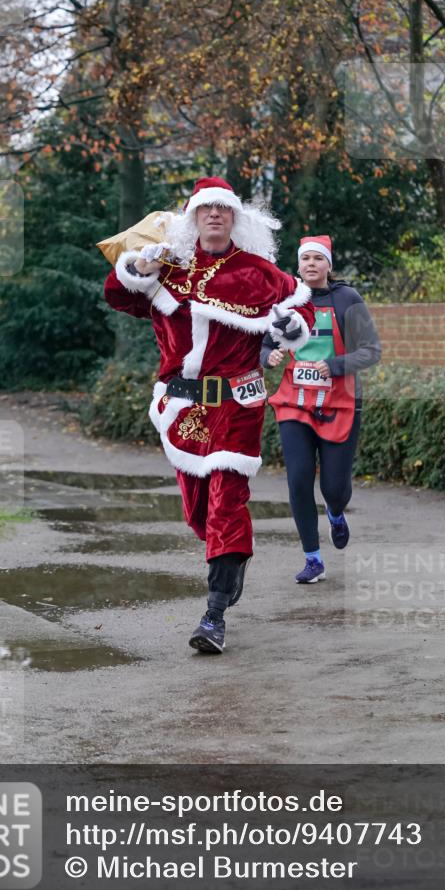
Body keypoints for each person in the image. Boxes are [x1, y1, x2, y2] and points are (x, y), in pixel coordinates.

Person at [104, 176, 314, 654]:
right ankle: (230, 564)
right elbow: (118, 295)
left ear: (235, 218)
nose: (214, 215)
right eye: (205, 209)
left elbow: (300, 317)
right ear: (193, 216)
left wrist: (290, 327)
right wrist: (138, 265)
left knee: (226, 500)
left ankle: (214, 614)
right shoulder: (168, 267)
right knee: (199, 512)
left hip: (237, 403)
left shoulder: (258, 273)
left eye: (223, 209)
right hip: (181, 405)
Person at [260, 235, 381, 583]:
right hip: (294, 403)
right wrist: (271, 356)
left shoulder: (348, 299)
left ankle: (336, 511)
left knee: (334, 487)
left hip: (341, 403)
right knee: (298, 479)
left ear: (329, 265)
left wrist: (337, 364)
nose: (311, 264)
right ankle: (313, 559)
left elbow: (372, 350)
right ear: (298, 266)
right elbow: (264, 348)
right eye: (305, 259)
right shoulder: (285, 302)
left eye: (318, 258)